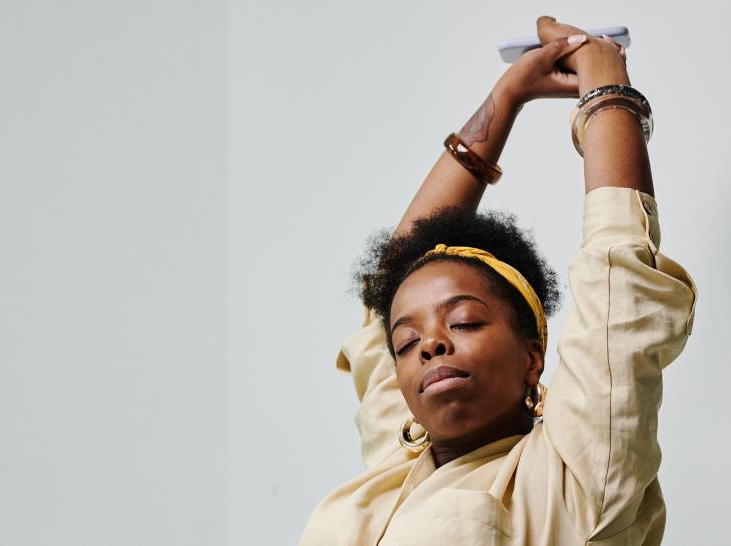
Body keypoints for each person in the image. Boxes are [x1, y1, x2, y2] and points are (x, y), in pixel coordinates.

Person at [298, 16, 697, 546]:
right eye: (407, 342)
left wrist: (607, 92)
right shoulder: (395, 471)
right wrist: (506, 97)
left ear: (533, 358)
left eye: (463, 320)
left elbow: (620, 291)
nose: (430, 344)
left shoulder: (571, 480)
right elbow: (389, 292)